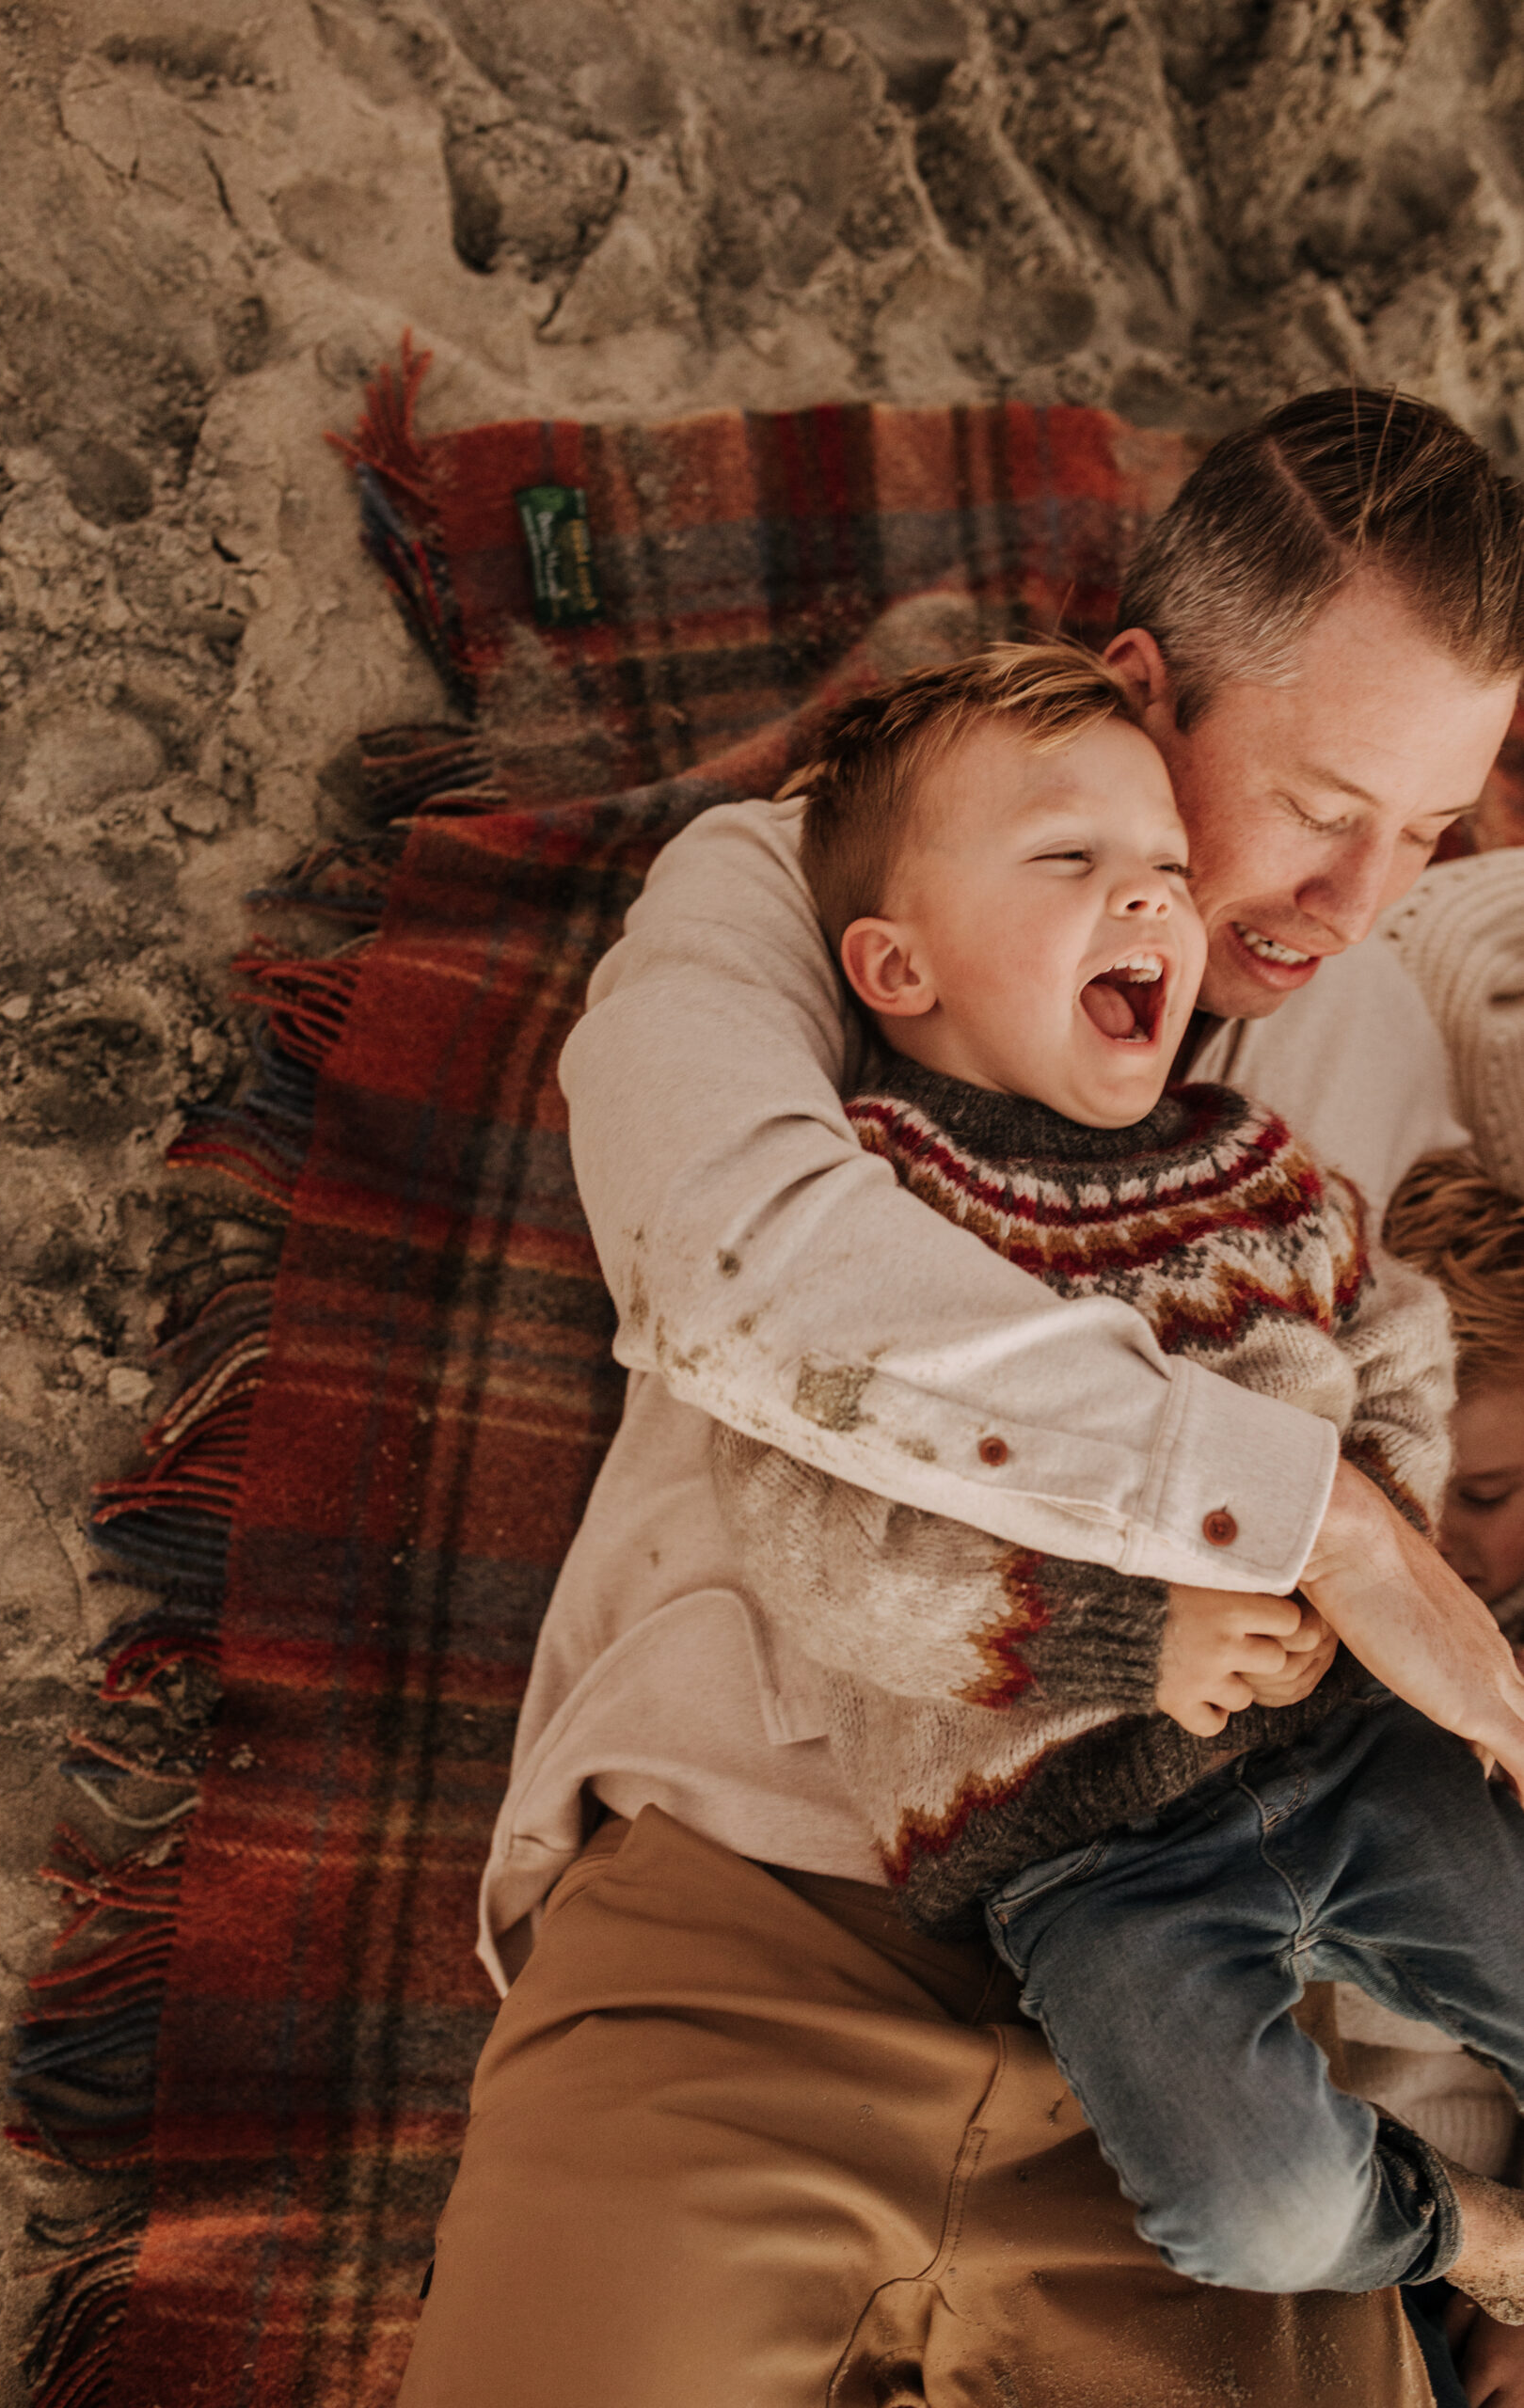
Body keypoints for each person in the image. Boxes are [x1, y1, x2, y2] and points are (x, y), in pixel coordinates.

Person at [399, 390, 1524, 2408]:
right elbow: (734, 1255)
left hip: (1222, 2033)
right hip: (756, 1922)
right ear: (1137, 686)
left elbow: (1431, 1459)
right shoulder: (816, 887)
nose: (1350, 898)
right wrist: (1314, 1518)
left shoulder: (1377, 1033)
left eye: (1426, 830)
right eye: (1317, 801)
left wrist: (1464, 2197)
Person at [709, 636, 1524, 2327]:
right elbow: (820, 1541)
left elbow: (1395, 1334)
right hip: (1086, 1859)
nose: (1152, 905)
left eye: (1164, 867)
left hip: (1352, 1747)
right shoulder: (874, 1210)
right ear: (895, 962)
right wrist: (1124, 1640)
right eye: (1073, 865)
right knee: (1259, 2209)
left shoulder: (1248, 1155)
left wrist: (1356, 1519)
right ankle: (1474, 2242)